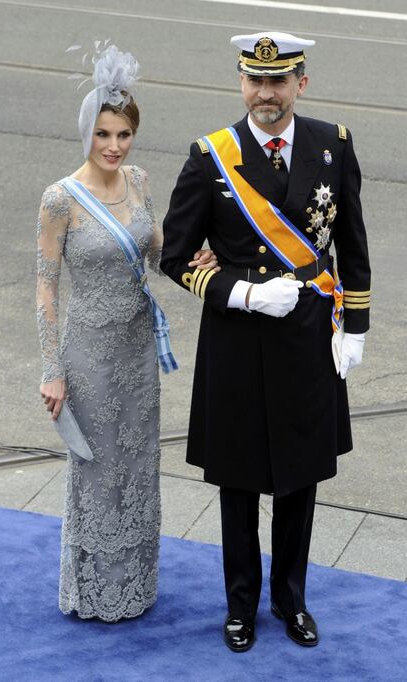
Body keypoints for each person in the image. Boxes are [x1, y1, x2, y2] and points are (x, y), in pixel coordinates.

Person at [161, 31, 370, 650]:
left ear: (300, 84)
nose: (265, 94)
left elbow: (352, 242)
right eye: (255, 80)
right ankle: (241, 606)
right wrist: (243, 292)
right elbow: (175, 256)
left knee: (300, 479)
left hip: (309, 337)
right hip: (237, 339)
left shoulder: (332, 146)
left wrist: (355, 326)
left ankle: (291, 599)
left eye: (278, 82)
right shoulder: (210, 157)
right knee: (238, 480)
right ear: (241, 82)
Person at [36, 42, 218, 622]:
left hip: (138, 350)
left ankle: (134, 584)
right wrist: (51, 370)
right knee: (97, 465)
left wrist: (204, 260)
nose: (114, 147)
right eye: (103, 135)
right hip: (87, 354)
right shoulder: (60, 199)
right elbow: (46, 290)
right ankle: (93, 589)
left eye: (123, 134)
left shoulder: (138, 180)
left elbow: (162, 249)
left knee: (137, 463)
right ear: (86, 133)